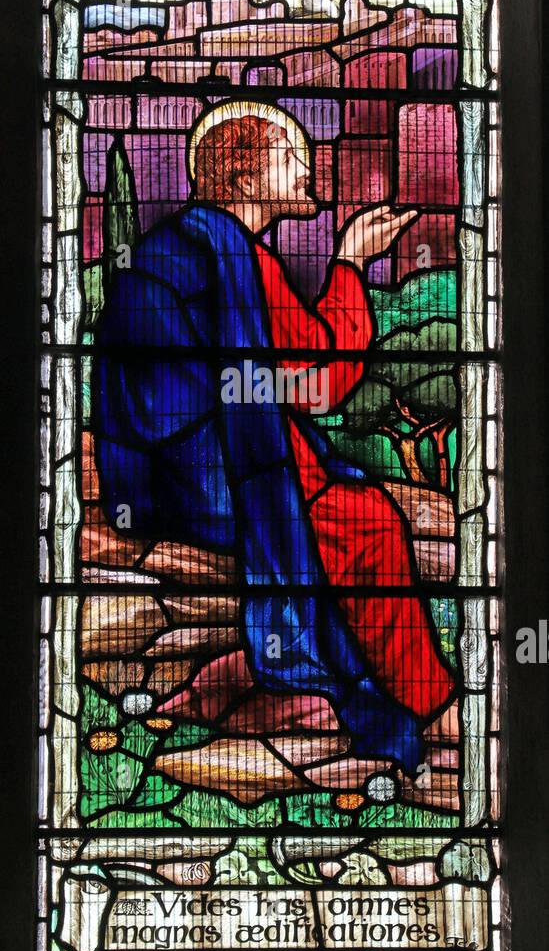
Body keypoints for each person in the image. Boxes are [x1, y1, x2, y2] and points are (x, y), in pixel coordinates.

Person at [93, 102, 456, 779]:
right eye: (293, 155)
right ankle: (426, 706)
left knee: (361, 511)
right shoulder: (231, 257)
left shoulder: (201, 246)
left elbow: (283, 382)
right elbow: (320, 383)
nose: (309, 166)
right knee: (367, 522)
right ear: (245, 175)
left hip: (173, 468)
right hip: (211, 473)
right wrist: (348, 265)